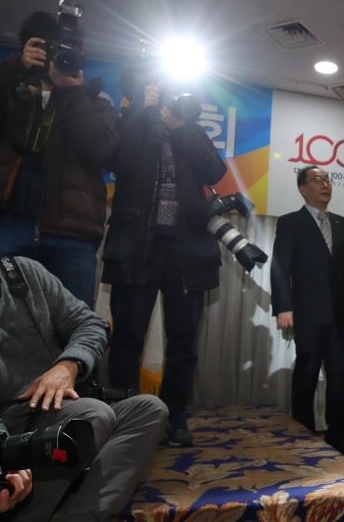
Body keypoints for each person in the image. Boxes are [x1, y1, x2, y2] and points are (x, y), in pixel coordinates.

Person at [0, 255, 167, 520]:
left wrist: (67, 366)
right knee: (92, 416)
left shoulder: (22, 272)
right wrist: (0, 452)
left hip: (58, 406)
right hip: (2, 422)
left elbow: (91, 324)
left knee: (149, 409)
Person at [100, 66, 227, 447]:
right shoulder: (134, 121)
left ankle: (175, 417)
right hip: (137, 246)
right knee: (128, 337)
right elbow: (116, 159)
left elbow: (215, 170)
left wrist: (182, 127)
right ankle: (126, 419)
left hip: (187, 252)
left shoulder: (191, 128)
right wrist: (141, 111)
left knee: (184, 342)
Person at [0, 10, 119, 308]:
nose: (58, 58)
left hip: (72, 234)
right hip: (7, 224)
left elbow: (101, 149)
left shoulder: (96, 103)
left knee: (73, 327)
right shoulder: (14, 94)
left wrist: (73, 94)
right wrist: (15, 65)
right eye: (49, 49)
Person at [270, 166, 344, 458]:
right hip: (307, 313)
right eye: (317, 180)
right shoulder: (290, 223)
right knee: (307, 375)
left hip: (339, 314)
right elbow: (280, 268)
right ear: (303, 189)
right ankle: (303, 438)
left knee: (340, 376)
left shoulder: (342, 224)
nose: (325, 184)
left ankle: (340, 437)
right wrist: (283, 307)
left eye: (327, 179)